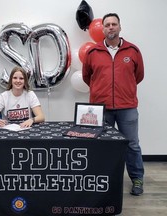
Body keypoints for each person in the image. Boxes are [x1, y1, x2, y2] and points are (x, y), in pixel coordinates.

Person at [82, 13, 144, 196]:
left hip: (127, 108)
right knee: (102, 146)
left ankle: (137, 179)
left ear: (119, 27)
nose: (111, 27)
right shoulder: (93, 52)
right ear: (102, 29)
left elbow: (138, 76)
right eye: (107, 24)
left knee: (132, 145)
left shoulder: (133, 51)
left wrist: (124, 90)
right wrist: (101, 91)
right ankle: (101, 179)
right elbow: (87, 77)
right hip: (101, 109)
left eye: (114, 24)